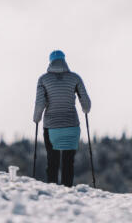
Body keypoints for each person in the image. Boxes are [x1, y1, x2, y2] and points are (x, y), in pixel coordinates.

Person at [33, 49, 92, 186]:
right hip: (72, 125)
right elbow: (86, 105)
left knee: (52, 162)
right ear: (64, 60)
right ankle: (68, 190)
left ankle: (52, 191)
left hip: (51, 127)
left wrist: (36, 118)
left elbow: (40, 103)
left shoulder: (43, 79)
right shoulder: (75, 78)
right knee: (68, 163)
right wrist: (85, 109)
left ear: (50, 62)